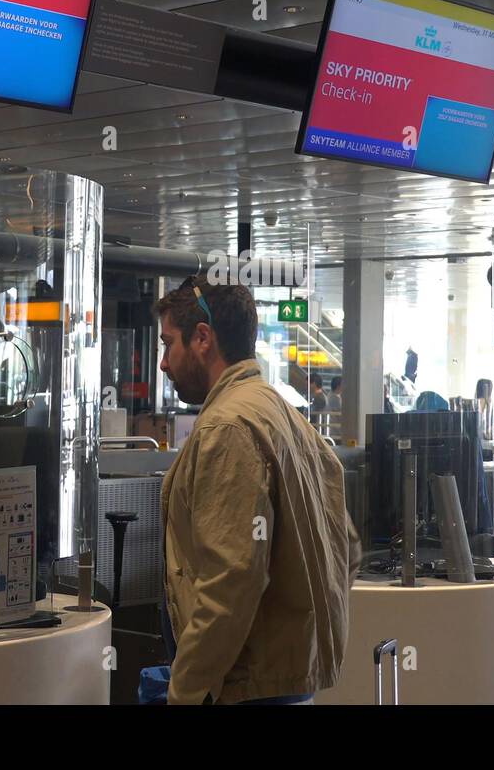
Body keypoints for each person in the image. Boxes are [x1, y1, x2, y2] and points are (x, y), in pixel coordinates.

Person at [154, 276, 359, 704]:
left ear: (203, 339)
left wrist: (185, 692)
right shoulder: (283, 414)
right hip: (282, 681)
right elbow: (348, 545)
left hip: (246, 686)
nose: (163, 363)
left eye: (168, 343)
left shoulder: (227, 428)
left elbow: (230, 580)